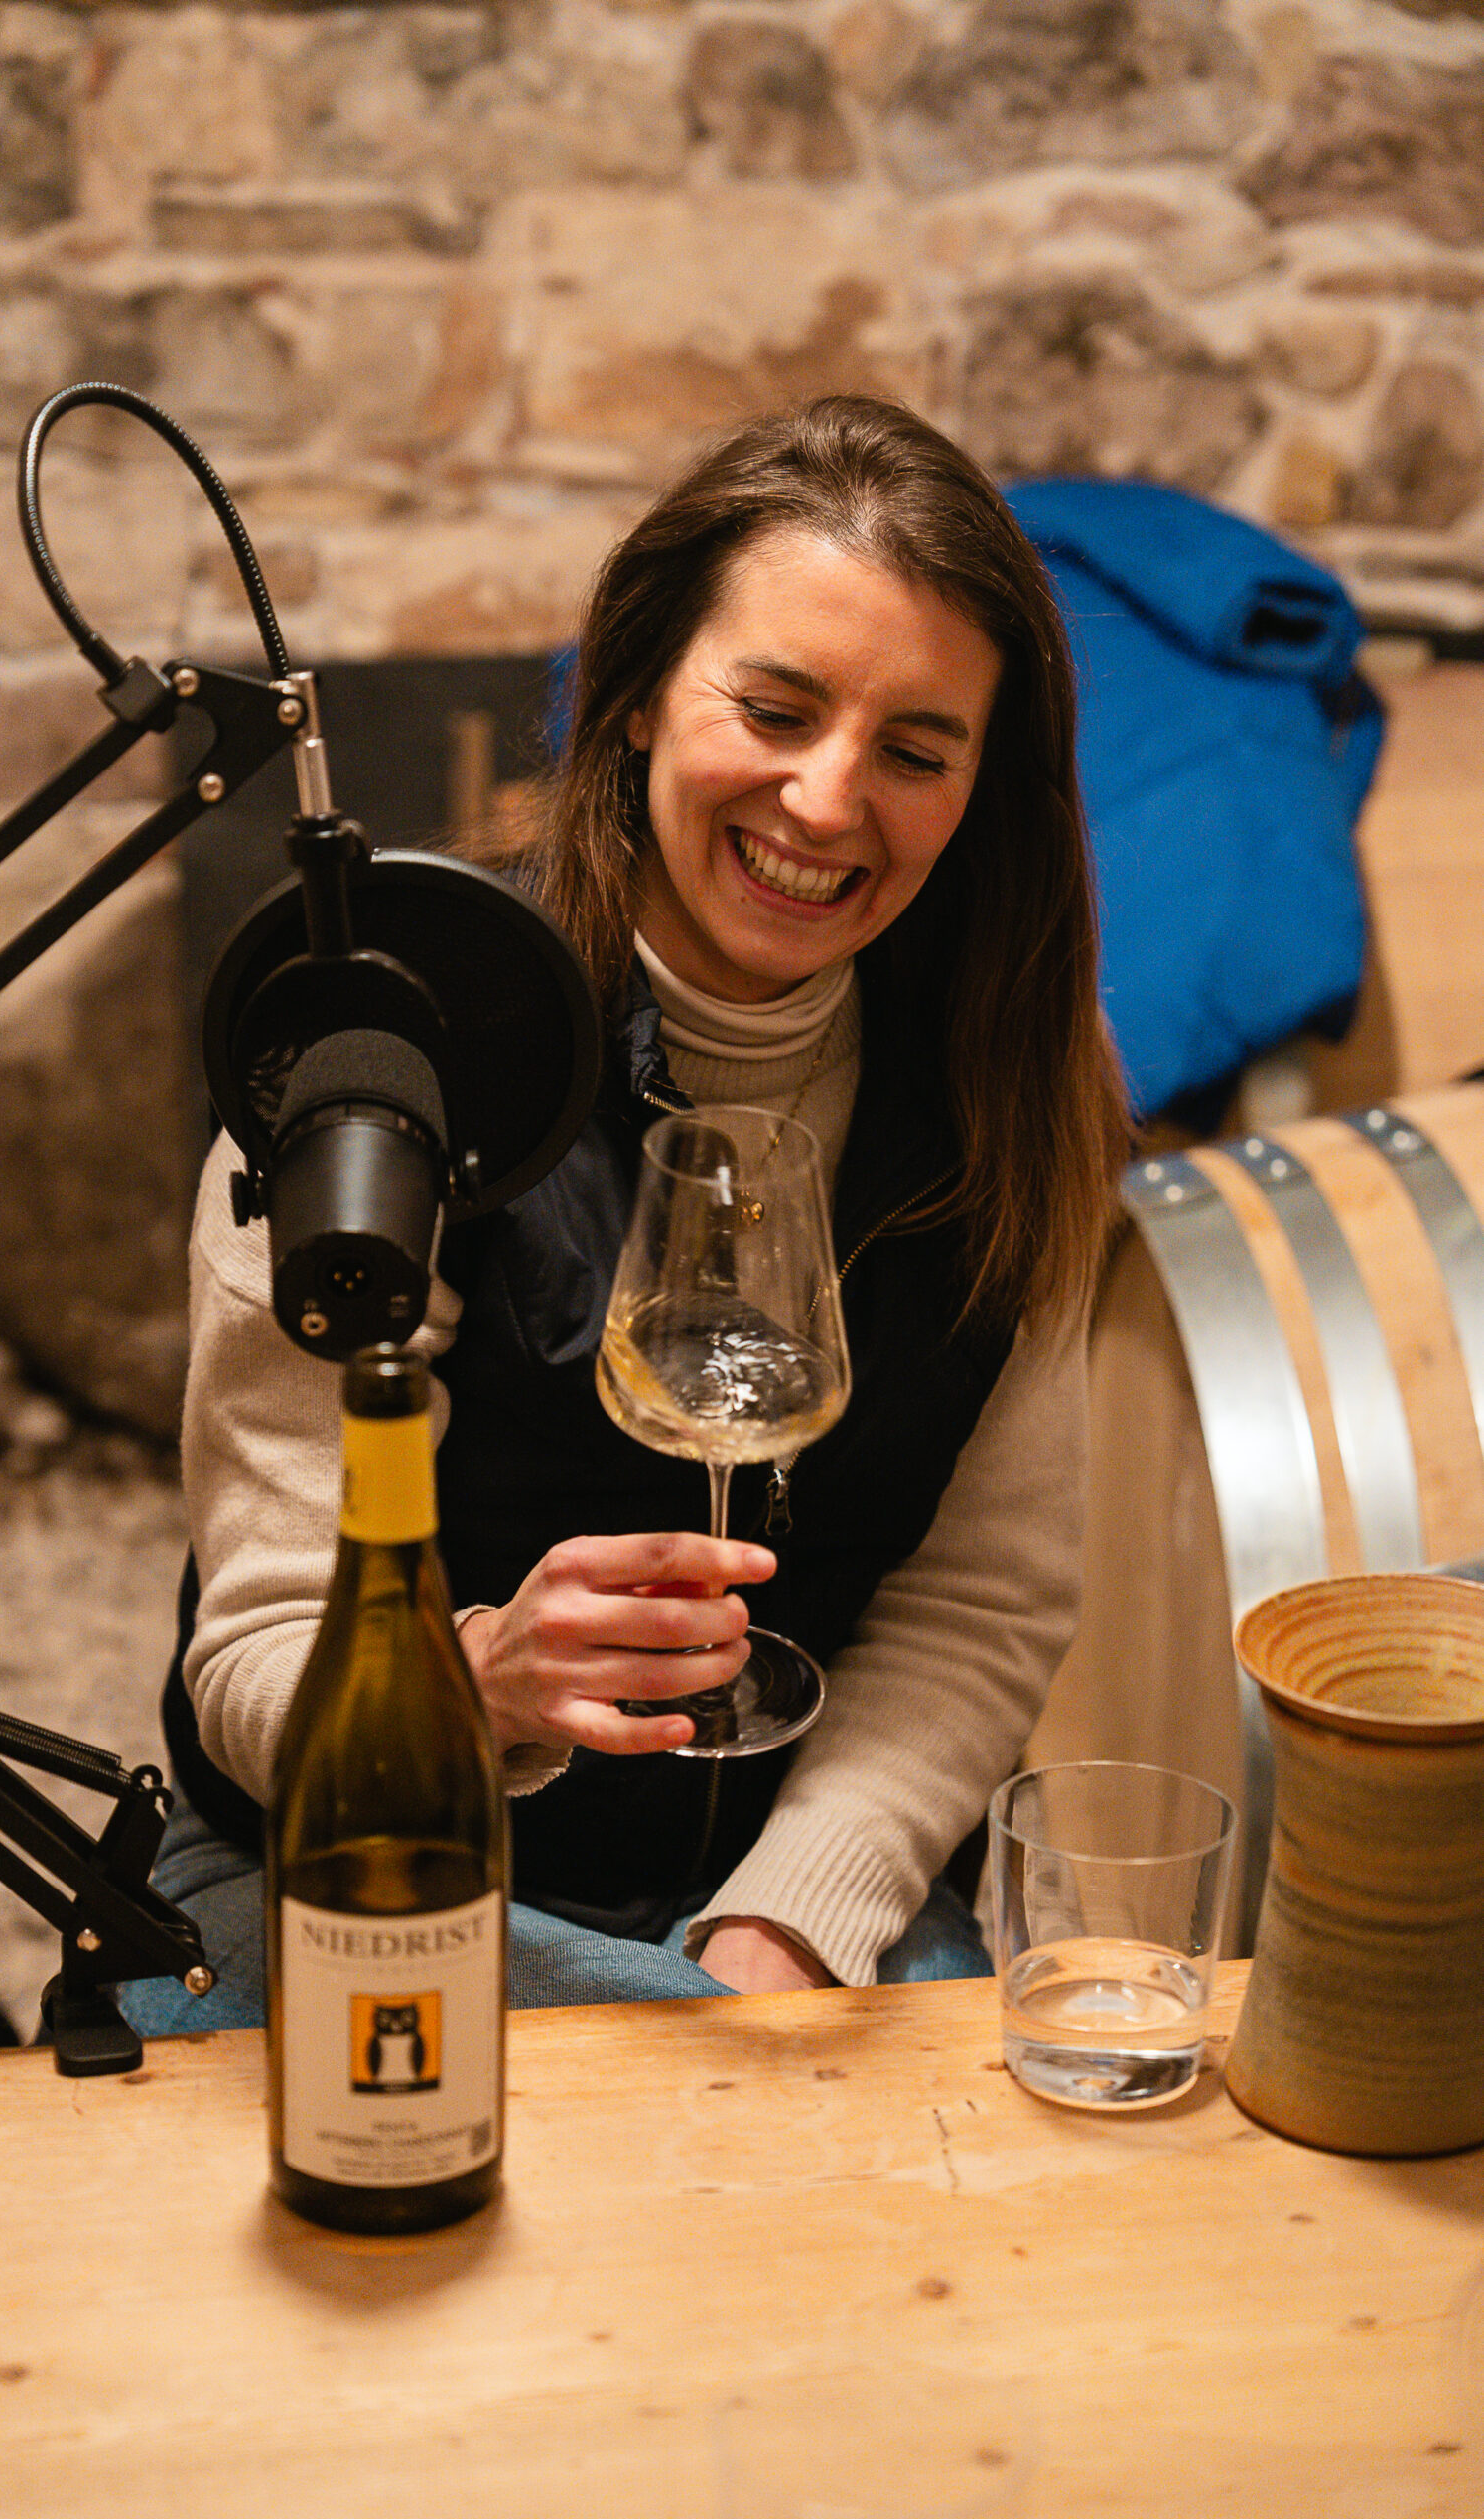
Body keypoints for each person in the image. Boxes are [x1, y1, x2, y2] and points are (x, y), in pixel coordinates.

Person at [120, 392, 1128, 2035]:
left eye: (914, 751)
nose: (826, 801)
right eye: (774, 709)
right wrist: (470, 1684)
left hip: (783, 1884)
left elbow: (979, 1600)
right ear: (640, 691)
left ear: (978, 789)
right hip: (373, 1849)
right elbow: (260, 1650)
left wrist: (787, 1924)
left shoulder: (1018, 1076)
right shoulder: (392, 1035)